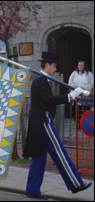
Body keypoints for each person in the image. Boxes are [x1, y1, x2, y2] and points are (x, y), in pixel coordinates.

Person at [23, 52, 92, 199]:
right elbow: (50, 100)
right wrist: (71, 95)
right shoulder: (41, 80)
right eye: (54, 66)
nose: (55, 69)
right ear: (47, 65)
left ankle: (32, 190)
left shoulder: (42, 79)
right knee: (60, 153)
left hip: (40, 122)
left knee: (39, 157)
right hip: (43, 122)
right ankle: (76, 183)